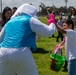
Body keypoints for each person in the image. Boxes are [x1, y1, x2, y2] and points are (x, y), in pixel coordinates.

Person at [0, 3, 56, 75]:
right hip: (22, 52)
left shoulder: (9, 23)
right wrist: (52, 22)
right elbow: (48, 32)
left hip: (3, 52)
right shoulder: (30, 20)